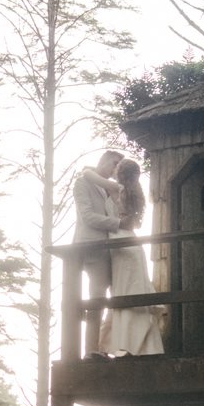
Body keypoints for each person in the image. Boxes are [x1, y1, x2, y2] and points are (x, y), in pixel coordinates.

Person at [101, 158, 164, 356]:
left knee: (123, 290)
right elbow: (134, 223)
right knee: (134, 287)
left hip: (119, 240)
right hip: (132, 242)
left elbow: (88, 174)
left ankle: (126, 343)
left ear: (120, 172)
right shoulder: (134, 193)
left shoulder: (115, 188)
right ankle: (143, 344)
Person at [72, 149, 125, 353]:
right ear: (103, 161)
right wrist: (118, 223)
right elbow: (87, 217)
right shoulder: (82, 183)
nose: (115, 169)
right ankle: (91, 350)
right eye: (114, 163)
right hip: (92, 247)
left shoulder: (107, 188)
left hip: (110, 249)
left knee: (116, 295)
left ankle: (107, 345)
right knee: (97, 297)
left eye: (119, 166)